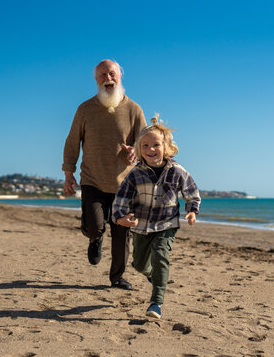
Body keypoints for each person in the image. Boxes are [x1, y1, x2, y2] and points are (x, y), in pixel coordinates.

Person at [62, 59, 146, 290]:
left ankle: (117, 278)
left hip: (125, 185)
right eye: (102, 75)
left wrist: (136, 151)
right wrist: (69, 173)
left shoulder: (134, 110)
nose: (108, 78)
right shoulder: (85, 109)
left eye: (112, 74)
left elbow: (146, 142)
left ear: (120, 76)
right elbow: (72, 142)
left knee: (122, 235)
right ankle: (95, 238)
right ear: (96, 80)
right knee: (93, 226)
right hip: (92, 181)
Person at [112, 115, 201, 318]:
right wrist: (120, 218)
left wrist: (192, 210)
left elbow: (192, 192)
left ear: (166, 147)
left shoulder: (177, 171)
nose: (151, 149)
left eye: (156, 145)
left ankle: (156, 303)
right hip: (141, 226)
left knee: (161, 256)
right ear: (138, 149)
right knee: (140, 265)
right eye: (145, 146)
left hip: (167, 224)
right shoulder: (135, 174)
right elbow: (121, 199)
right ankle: (152, 275)